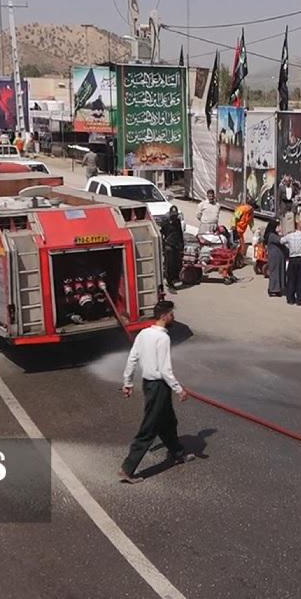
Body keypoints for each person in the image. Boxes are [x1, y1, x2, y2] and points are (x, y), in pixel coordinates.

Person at [119, 300, 193, 484]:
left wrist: (128, 382)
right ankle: (128, 469)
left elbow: (132, 358)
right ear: (163, 316)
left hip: (149, 384)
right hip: (159, 386)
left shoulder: (144, 333)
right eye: (171, 314)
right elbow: (165, 369)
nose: (173, 317)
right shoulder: (163, 338)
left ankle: (177, 453)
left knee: (168, 421)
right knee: (149, 427)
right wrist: (179, 389)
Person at [161, 207, 185, 291]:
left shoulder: (177, 221)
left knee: (176, 263)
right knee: (169, 265)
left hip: (176, 245)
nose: (174, 216)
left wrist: (182, 244)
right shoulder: (165, 222)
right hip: (168, 246)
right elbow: (162, 233)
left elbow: (179, 233)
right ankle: (170, 282)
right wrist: (162, 245)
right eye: (173, 215)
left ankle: (175, 278)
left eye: (176, 215)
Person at [264, 222, 287, 297]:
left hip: (279, 257)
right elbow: (281, 241)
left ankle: (278, 289)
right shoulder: (272, 236)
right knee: (275, 273)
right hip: (274, 257)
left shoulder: (274, 235)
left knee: (280, 272)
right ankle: (272, 289)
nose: (279, 228)